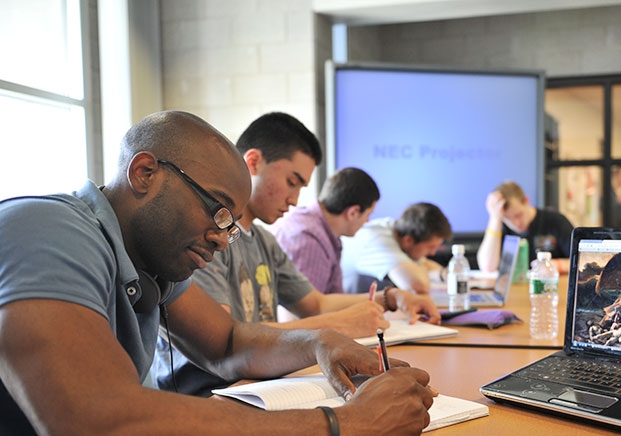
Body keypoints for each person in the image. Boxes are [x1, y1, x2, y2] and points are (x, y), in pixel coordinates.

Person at [0, 111, 434, 435]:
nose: (224, 237)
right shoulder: (46, 230)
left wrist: (319, 342)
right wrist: (346, 424)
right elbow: (98, 421)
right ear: (144, 172)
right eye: (218, 210)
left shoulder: (151, 261)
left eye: (232, 223)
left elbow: (226, 343)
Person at [154, 113, 440, 397]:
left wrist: (388, 298)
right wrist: (335, 326)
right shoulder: (208, 237)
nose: (294, 200)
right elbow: (227, 339)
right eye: (292, 182)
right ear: (253, 162)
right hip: (213, 393)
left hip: (261, 381)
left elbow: (315, 303)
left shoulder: (265, 241)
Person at [273, 167, 379, 295]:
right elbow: (306, 313)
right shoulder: (309, 240)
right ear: (353, 212)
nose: (367, 221)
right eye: (368, 214)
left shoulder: (319, 230)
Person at [341, 202, 452, 295]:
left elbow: (424, 263)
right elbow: (418, 286)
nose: (433, 253)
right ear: (408, 240)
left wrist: (442, 273)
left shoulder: (395, 230)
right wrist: (422, 270)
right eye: (430, 247)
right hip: (345, 312)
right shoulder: (378, 241)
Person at [477, 180, 572, 274]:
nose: (516, 223)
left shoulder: (555, 220)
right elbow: (487, 267)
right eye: (508, 219)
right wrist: (495, 218)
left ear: (526, 200)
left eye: (518, 215)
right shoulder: (500, 226)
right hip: (516, 288)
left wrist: (555, 265)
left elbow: (581, 261)